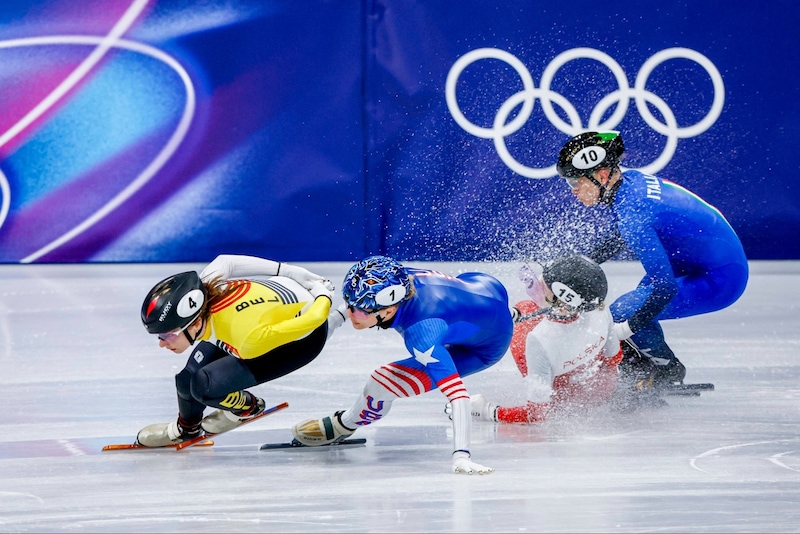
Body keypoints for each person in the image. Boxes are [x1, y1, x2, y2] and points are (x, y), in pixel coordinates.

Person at [556, 131, 749, 394]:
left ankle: (666, 369)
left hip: (722, 277)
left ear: (601, 175)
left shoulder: (634, 213)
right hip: (693, 260)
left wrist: (624, 329)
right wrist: (582, 263)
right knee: (633, 306)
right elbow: (619, 236)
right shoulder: (628, 183)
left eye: (574, 182)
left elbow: (665, 288)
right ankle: (640, 365)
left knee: (624, 311)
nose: (573, 191)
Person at [290, 255, 514, 475]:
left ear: (388, 311)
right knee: (457, 321)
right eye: (349, 302)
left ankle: (344, 425)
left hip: (484, 347)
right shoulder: (392, 275)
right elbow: (360, 294)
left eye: (359, 311)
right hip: (485, 286)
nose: (351, 313)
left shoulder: (421, 333)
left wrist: (461, 455)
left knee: (382, 381)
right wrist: (334, 321)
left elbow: (458, 396)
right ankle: (501, 318)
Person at [135, 254, 347, 447]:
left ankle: (248, 408)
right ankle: (187, 429)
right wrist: (286, 270)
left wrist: (323, 294)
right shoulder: (206, 286)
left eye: (166, 335)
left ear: (195, 323)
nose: (162, 343)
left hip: (303, 339)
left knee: (203, 386)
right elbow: (226, 261)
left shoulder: (246, 338)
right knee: (185, 379)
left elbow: (315, 320)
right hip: (268, 308)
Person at [467, 254, 622, 423]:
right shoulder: (599, 308)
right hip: (603, 387)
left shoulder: (539, 338)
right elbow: (614, 358)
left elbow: (536, 414)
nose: (540, 280)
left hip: (564, 399)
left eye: (546, 282)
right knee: (528, 308)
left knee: (524, 312)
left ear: (563, 297)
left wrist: (489, 411)